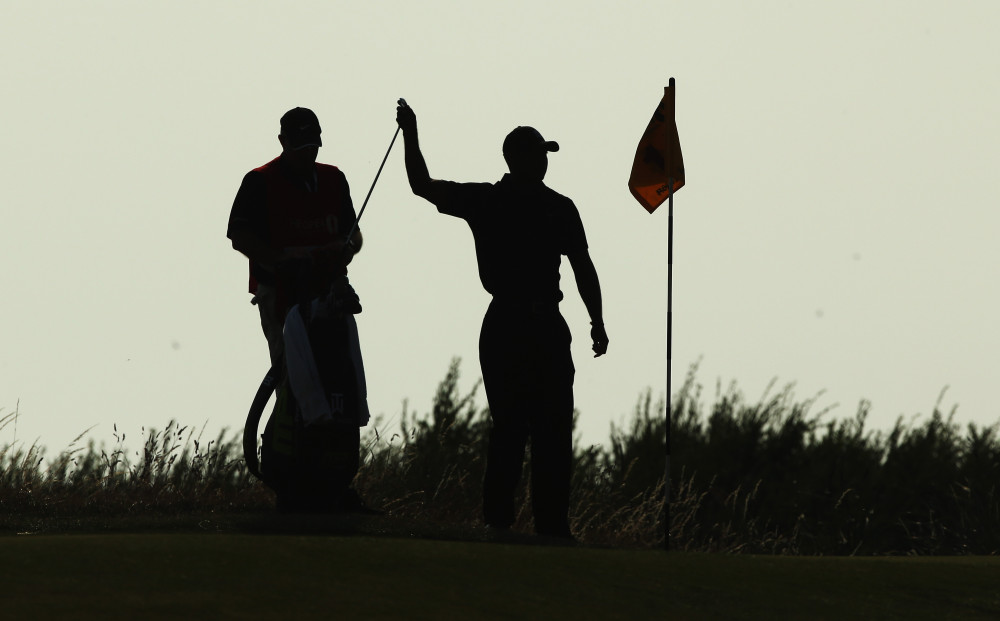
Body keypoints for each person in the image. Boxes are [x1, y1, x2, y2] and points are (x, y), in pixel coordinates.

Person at [395, 101, 609, 539]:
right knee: (514, 426)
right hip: (517, 324)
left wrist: (597, 320)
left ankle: (546, 526)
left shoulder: (532, 204)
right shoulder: (501, 200)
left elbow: (584, 267)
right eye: (541, 155)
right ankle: (500, 523)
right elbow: (421, 184)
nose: (547, 162)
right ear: (523, 159)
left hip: (537, 325)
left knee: (547, 428)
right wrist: (411, 133)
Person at [227, 107, 370, 513]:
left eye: (313, 145)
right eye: (301, 145)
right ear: (284, 143)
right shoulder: (259, 182)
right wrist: (281, 260)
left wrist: (345, 250)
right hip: (282, 300)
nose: (309, 152)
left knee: (335, 383)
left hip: (329, 299)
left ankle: (329, 481)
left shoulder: (333, 179)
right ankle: (292, 480)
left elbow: (352, 234)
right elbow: (239, 235)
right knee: (295, 384)